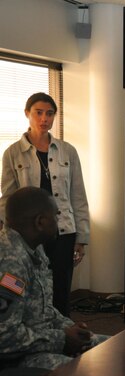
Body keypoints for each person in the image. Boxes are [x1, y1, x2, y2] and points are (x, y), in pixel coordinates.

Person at [0, 187, 106, 376]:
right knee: (96, 375)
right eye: (56, 215)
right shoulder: (10, 263)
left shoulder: (33, 247)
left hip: (39, 345)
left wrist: (70, 328)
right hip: (16, 362)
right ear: (40, 222)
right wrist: (62, 339)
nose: (60, 220)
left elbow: (43, 309)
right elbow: (5, 337)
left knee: (111, 349)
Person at [0, 92, 89, 316]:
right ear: (27, 114)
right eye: (38, 113)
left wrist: (82, 237)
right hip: (28, 234)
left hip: (63, 229)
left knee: (60, 289)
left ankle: (64, 337)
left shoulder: (67, 150)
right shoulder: (13, 153)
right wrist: (8, 236)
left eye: (49, 114)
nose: (44, 119)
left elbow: (78, 195)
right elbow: (8, 199)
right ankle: (36, 336)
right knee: (30, 287)